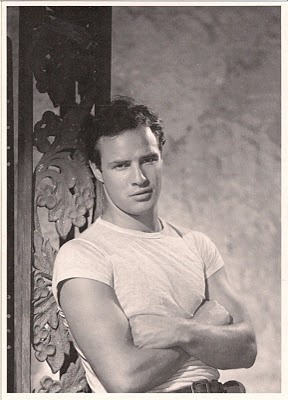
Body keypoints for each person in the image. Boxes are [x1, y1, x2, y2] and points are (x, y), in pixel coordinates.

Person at [52, 97, 257, 393]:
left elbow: (247, 347)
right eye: (121, 165)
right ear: (97, 171)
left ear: (161, 156)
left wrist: (180, 331)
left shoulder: (196, 244)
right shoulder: (84, 256)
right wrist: (203, 325)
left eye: (148, 160)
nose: (140, 178)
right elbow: (125, 379)